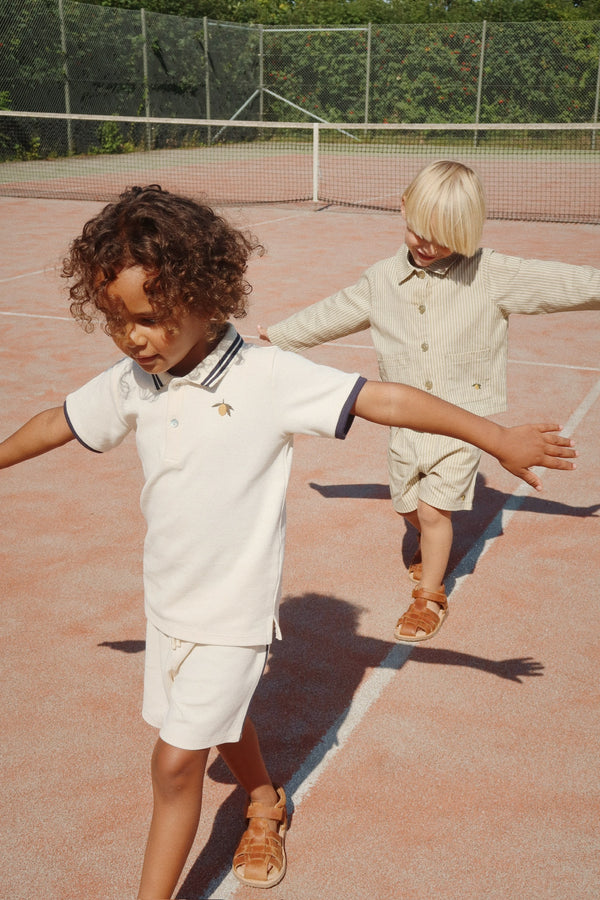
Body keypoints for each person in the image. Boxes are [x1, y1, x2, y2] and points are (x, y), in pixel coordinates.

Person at [0, 186, 576, 900]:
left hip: (231, 620)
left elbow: (384, 399)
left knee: (175, 763)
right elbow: (58, 420)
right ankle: (267, 803)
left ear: (206, 297)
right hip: (167, 606)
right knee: (220, 722)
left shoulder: (267, 378)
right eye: (116, 321)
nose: (132, 338)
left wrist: (495, 436)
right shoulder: (134, 382)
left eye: (147, 319)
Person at [259, 159, 600, 646]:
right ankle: (424, 539)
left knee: (436, 512)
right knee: (408, 507)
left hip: (463, 425)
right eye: (421, 230)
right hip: (404, 424)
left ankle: (431, 594)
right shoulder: (380, 280)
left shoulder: (491, 274)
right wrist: (282, 336)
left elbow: (564, 284)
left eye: (445, 239)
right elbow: (335, 311)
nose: (428, 245)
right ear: (404, 206)